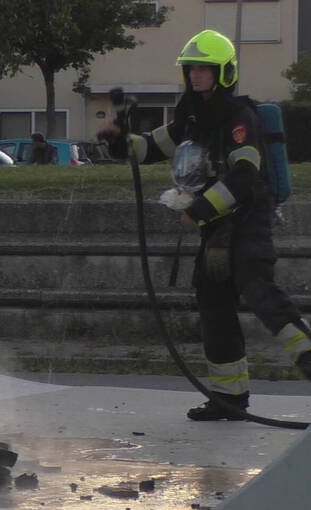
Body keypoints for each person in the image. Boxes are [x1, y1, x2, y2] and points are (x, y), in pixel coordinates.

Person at [101, 29, 311, 421]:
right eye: (191, 68)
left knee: (258, 291)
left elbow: (245, 176)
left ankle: (307, 356)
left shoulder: (239, 117)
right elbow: (152, 147)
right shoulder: (192, 114)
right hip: (217, 228)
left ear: (224, 72)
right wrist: (119, 139)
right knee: (214, 305)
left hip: (248, 222)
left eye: (204, 69)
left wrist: (198, 211)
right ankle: (229, 397)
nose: (196, 75)